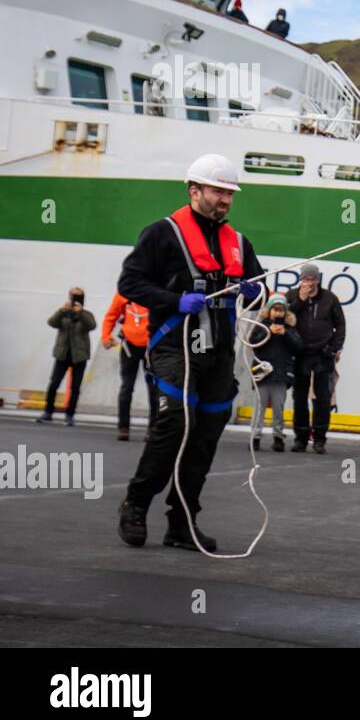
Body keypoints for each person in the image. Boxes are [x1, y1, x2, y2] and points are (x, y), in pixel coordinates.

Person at [116, 153, 264, 552]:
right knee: (175, 426)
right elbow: (130, 282)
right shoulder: (160, 235)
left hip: (217, 353)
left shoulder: (238, 243)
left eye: (230, 193)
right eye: (218, 191)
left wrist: (255, 291)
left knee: (206, 436)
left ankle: (182, 521)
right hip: (172, 346)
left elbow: (259, 284)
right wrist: (173, 300)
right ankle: (135, 503)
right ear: (193, 190)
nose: (226, 200)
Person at [287, 262, 346, 454]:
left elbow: (341, 325)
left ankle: (320, 439)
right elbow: (285, 319)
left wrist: (334, 348)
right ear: (301, 279)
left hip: (323, 354)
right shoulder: (292, 296)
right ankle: (300, 438)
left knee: (322, 398)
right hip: (300, 353)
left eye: (312, 279)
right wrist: (301, 300)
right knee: (299, 397)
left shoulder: (329, 298)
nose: (309, 283)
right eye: (305, 279)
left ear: (317, 280)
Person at [101, 292, 158, 441]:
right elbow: (111, 316)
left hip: (151, 346)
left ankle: (153, 428)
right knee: (127, 387)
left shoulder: (155, 291)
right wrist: (106, 336)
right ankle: (123, 427)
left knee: (154, 389)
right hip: (129, 346)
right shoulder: (124, 294)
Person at [39, 287, 96, 426]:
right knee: (54, 384)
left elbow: (92, 326)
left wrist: (80, 312)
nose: (75, 300)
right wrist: (61, 310)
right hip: (62, 354)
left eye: (78, 297)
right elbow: (51, 322)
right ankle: (48, 412)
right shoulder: (63, 313)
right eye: (73, 297)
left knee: (75, 387)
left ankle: (70, 414)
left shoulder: (86, 314)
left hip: (79, 356)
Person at [252, 294, 301, 452]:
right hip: (262, 373)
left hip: (280, 374)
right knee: (259, 408)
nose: (278, 313)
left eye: (281, 310)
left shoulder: (290, 329)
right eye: (275, 309)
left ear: (285, 313)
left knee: (278, 409)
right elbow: (253, 343)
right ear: (269, 311)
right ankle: (255, 437)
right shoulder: (261, 326)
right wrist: (269, 333)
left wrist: (284, 334)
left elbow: (298, 347)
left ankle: (278, 437)